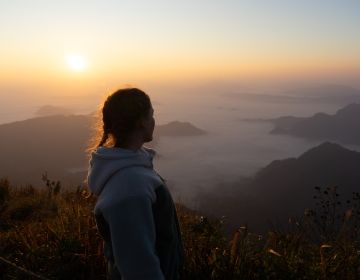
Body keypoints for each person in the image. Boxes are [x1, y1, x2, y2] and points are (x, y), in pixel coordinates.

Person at [87, 88, 184, 280]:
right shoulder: (130, 188)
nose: (154, 122)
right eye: (151, 115)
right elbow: (138, 268)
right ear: (141, 122)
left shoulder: (131, 166)